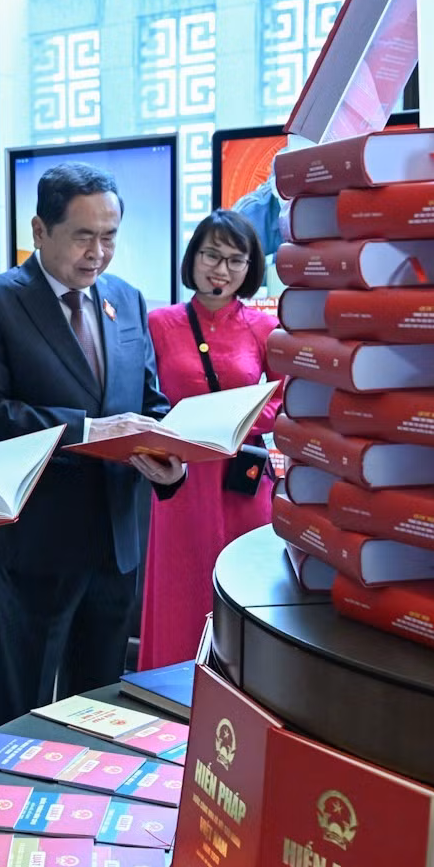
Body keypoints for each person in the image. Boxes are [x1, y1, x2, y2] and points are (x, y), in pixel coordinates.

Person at [0, 162, 186, 728]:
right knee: (26, 708)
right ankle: (18, 813)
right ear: (40, 231)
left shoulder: (127, 299)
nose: (98, 253)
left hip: (116, 542)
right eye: (83, 236)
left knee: (101, 706)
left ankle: (85, 816)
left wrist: (169, 458)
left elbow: (150, 400)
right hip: (38, 544)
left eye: (109, 236)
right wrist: (87, 432)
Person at [140, 209, 282, 669]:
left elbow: (286, 398)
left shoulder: (263, 327)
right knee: (180, 588)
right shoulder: (159, 323)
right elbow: (147, 395)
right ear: (193, 257)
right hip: (179, 478)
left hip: (241, 476)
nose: (220, 270)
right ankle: (169, 691)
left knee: (243, 587)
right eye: (211, 256)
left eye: (234, 261)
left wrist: (242, 423)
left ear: (250, 268)